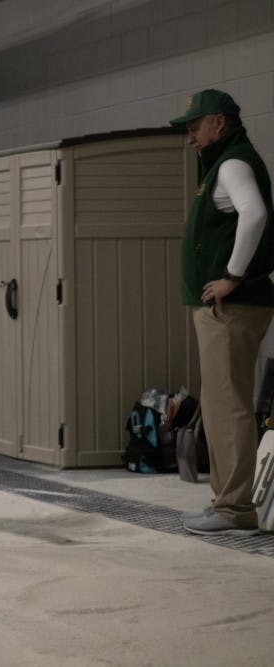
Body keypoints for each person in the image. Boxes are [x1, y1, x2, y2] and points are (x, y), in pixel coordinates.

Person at [170, 90, 274, 536]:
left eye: (195, 126)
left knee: (228, 404)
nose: (190, 136)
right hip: (224, 306)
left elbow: (254, 216)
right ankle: (226, 503)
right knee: (218, 403)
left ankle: (234, 509)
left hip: (231, 306)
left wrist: (232, 275)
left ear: (219, 122)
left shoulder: (232, 163)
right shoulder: (221, 164)